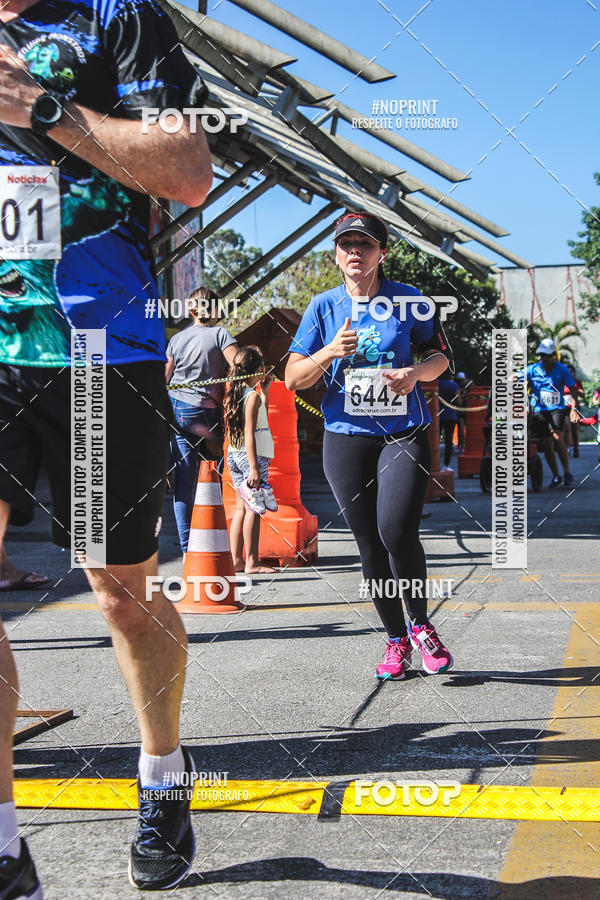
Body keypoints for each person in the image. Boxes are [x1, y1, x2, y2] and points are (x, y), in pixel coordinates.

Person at [0, 0, 213, 893]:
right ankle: (4, 846)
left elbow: (189, 172)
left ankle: (163, 776)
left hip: (99, 347)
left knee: (122, 597)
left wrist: (42, 108)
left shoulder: (117, 14)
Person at [285, 209, 453, 681]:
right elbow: (293, 378)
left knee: (396, 530)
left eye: (365, 244)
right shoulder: (323, 307)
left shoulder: (409, 300)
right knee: (369, 544)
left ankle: (421, 626)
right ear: (336, 254)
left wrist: (414, 373)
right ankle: (395, 639)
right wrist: (328, 351)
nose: (355, 251)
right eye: (346, 244)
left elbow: (441, 357)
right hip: (346, 438)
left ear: (382, 252)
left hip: (402, 432)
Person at [166, 287, 238, 556]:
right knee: (219, 473)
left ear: (191, 310)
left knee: (184, 481)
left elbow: (164, 377)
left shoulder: (177, 339)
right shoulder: (220, 334)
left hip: (178, 412)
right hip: (207, 414)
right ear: (216, 310)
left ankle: (188, 550)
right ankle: (217, 540)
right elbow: (239, 364)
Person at [225, 346, 278, 574]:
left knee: (241, 509)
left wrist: (265, 392)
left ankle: (236, 560)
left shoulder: (237, 393)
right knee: (253, 509)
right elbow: (251, 432)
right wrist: (254, 467)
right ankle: (252, 562)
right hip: (251, 457)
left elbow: (258, 420)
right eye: (263, 366)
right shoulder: (252, 396)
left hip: (234, 454)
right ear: (257, 369)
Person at [525, 339, 576, 487]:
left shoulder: (562, 370)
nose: (544, 359)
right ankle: (556, 476)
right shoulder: (533, 369)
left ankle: (567, 473)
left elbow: (573, 388)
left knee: (557, 436)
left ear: (553, 355)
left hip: (556, 408)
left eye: (547, 356)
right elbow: (517, 376)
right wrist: (510, 378)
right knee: (546, 443)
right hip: (539, 410)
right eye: (541, 355)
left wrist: (573, 409)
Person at [437, 373, 459, 471]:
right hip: (451, 415)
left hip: (438, 415)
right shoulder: (453, 385)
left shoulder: (436, 384)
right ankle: (446, 465)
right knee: (449, 441)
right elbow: (459, 401)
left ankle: (434, 464)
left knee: (435, 441)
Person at [566, 364, 586, 457]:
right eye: (568, 372)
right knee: (566, 428)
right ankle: (566, 448)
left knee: (574, 429)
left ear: (574, 373)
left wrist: (574, 390)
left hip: (574, 408)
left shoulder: (577, 382)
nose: (569, 373)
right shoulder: (562, 381)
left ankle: (575, 448)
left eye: (571, 372)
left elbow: (582, 394)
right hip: (564, 408)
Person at [455, 371, 468, 452]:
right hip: (461, 411)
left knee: (462, 430)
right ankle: (461, 445)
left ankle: (462, 445)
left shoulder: (467, 387)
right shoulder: (456, 387)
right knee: (461, 430)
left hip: (464, 410)